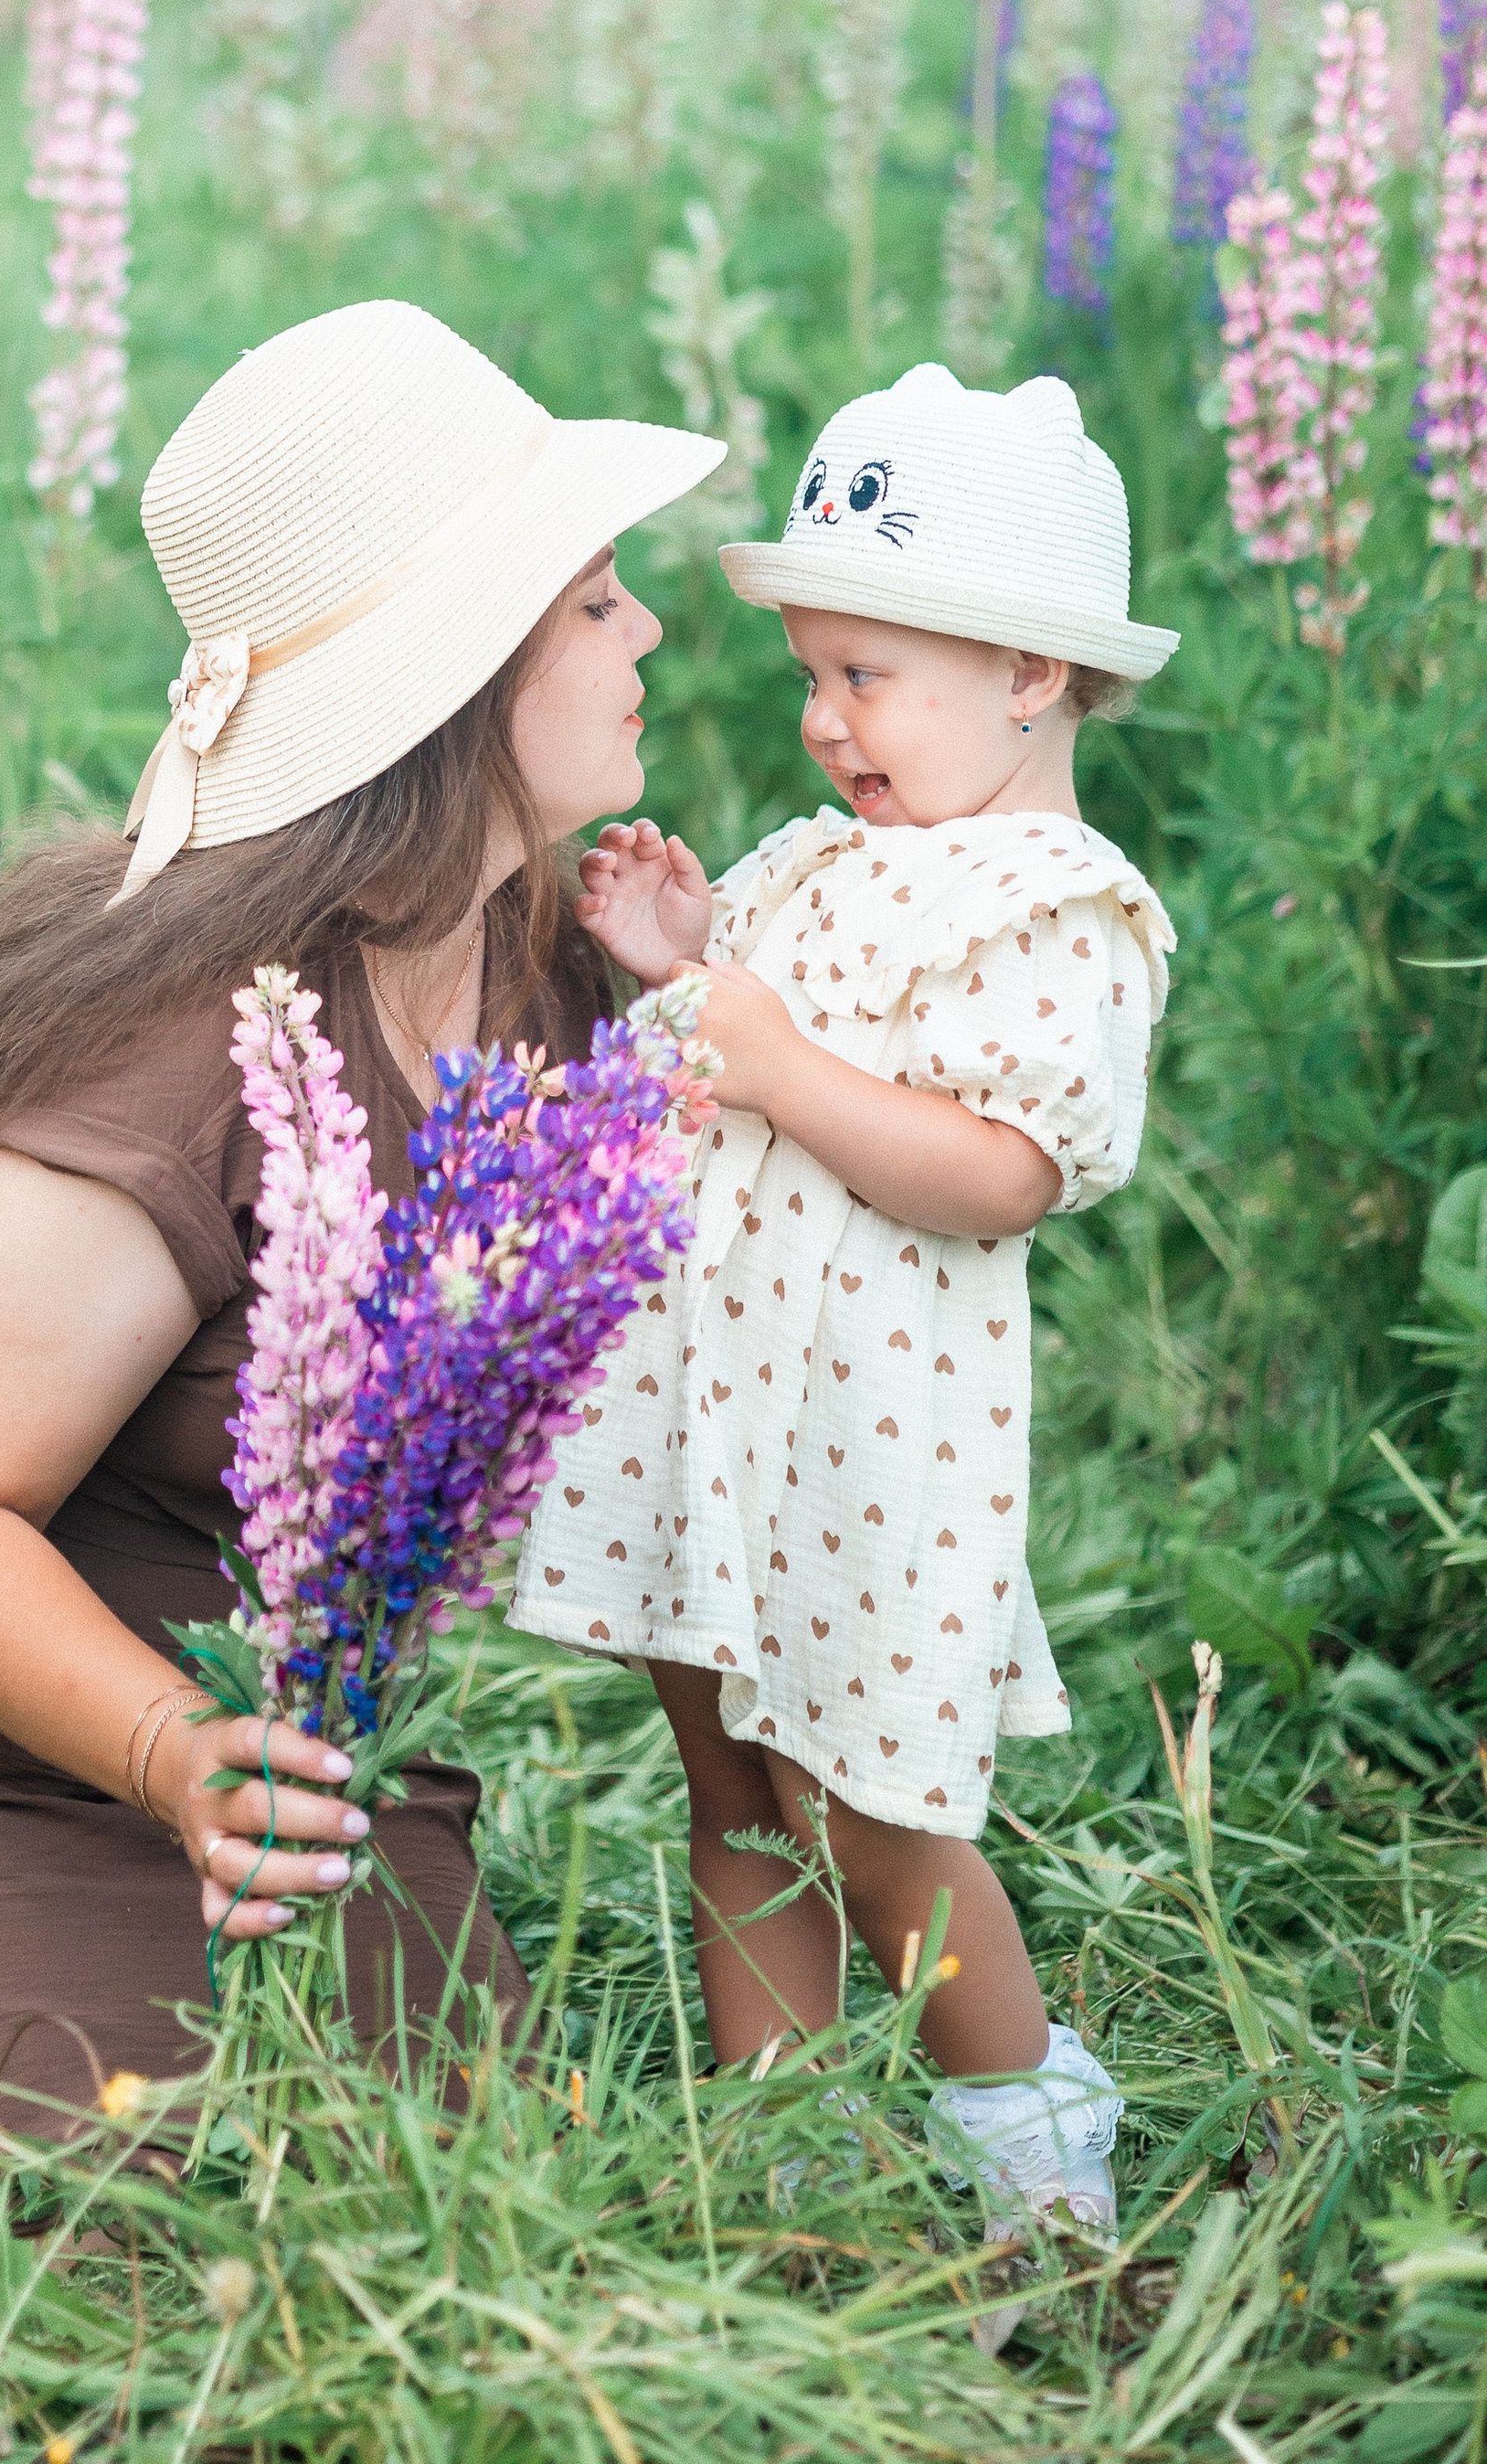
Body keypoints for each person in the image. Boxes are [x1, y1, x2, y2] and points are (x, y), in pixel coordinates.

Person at [0, 298, 722, 2240]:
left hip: (195, 1675)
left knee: (444, 2128)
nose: (645, 638)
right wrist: (176, 1755)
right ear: (452, 676)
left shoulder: (530, 948)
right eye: (593, 598)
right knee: (103, 2176)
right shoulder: (177, 1059)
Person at [512, 363, 1176, 2236]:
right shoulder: (815, 866)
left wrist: (778, 1062)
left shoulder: (1052, 908)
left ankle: (1029, 2147)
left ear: (1025, 673)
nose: (818, 724)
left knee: (874, 1821)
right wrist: (670, 947)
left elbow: (1001, 1173)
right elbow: (723, 1033)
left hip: (877, 1450)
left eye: (859, 676)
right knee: (728, 1791)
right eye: (808, 675)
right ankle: (777, 2158)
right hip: (714, 1417)